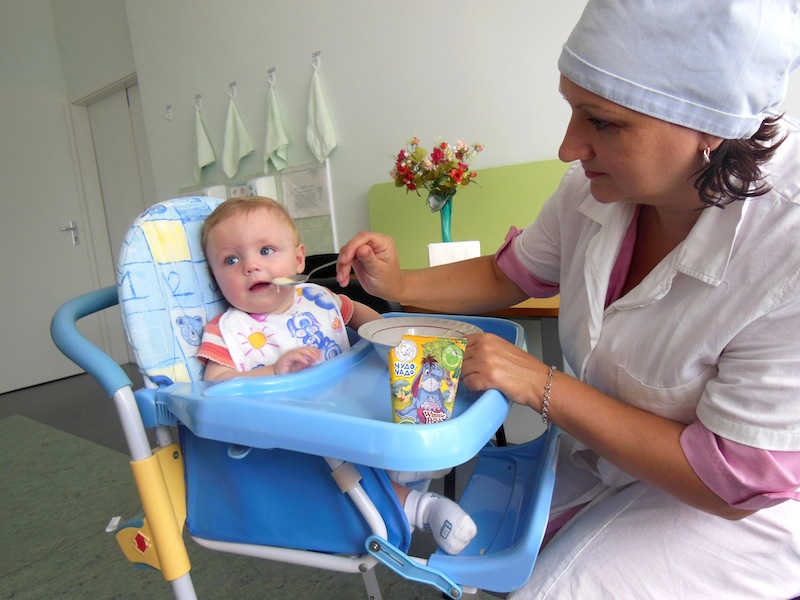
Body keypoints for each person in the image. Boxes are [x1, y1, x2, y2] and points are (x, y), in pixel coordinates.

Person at [336, 1, 800, 596]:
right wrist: (398, 286)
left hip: (733, 508)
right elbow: (508, 274)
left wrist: (541, 385)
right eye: (572, 110)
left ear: (709, 124)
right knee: (491, 555)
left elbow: (732, 478)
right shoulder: (590, 191)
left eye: (601, 122)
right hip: (609, 459)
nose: (568, 146)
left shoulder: (783, 246)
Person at [196, 196, 477, 555]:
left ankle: (408, 463)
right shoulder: (227, 330)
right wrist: (272, 371)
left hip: (357, 406)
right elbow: (215, 384)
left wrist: (392, 338)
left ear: (298, 259)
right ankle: (424, 509)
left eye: (266, 251)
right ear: (215, 277)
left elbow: (357, 312)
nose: (251, 266)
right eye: (231, 260)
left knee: (417, 397)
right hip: (305, 439)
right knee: (343, 466)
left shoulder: (318, 298)